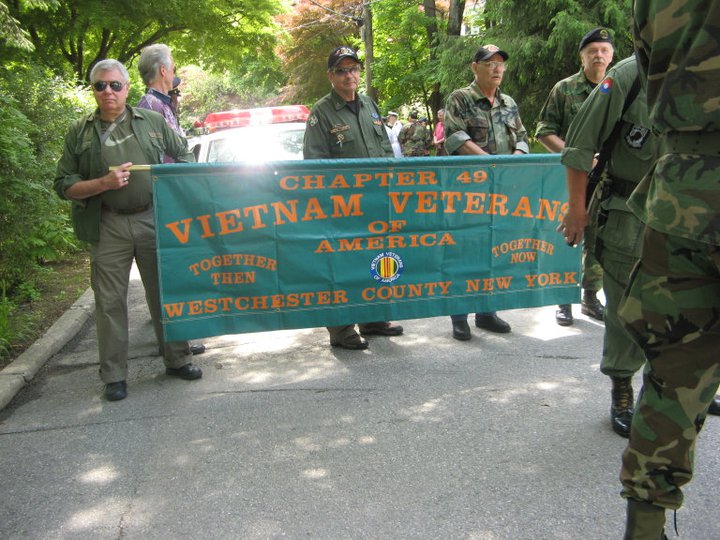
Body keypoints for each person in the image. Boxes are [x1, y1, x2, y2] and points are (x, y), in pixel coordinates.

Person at [618, 2, 720, 537]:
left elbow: (647, 58)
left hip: (680, 193)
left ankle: (645, 525)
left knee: (674, 372)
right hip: (678, 188)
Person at [54, 59, 202, 402]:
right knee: (109, 302)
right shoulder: (80, 131)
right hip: (107, 224)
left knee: (165, 292)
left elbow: (184, 156)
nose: (108, 91)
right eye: (100, 85)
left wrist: (170, 187)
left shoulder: (151, 121)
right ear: (93, 90)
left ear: (127, 88)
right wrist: (102, 184)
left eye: (115, 85)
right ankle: (114, 375)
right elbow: (63, 184)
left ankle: (178, 359)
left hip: (153, 218)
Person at [559, 56, 654, 438]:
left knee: (694, 307)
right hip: (631, 214)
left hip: (699, 217)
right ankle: (622, 388)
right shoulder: (629, 76)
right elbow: (580, 144)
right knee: (629, 309)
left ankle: (684, 386)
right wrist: (576, 209)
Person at [303, 46, 404, 350]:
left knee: (377, 257)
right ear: (330, 76)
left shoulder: (369, 104)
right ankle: (341, 328)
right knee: (342, 264)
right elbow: (314, 163)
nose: (349, 75)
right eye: (341, 70)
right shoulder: (321, 112)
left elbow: (384, 147)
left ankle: (373, 318)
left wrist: (391, 185)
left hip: (377, 199)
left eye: (353, 69)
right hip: (344, 205)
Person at [443, 43, 528, 341]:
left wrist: (515, 160)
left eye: (500, 63)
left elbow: (523, 136)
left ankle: (487, 311)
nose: (496, 68)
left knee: (495, 248)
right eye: (489, 63)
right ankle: (459, 315)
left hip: (502, 191)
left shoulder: (508, 102)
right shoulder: (460, 98)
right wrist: (492, 165)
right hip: (469, 191)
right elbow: (455, 138)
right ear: (475, 67)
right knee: (465, 249)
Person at [536, 27, 615, 326]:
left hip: (609, 178)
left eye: (604, 51)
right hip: (572, 176)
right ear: (582, 57)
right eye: (592, 51)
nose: (598, 55)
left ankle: (590, 297)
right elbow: (544, 131)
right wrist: (578, 157)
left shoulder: (618, 87)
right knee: (569, 235)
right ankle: (563, 299)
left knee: (599, 238)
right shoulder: (565, 89)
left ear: (611, 56)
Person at [136, 43, 206, 356]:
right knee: (169, 273)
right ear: (163, 70)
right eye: (173, 66)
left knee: (175, 271)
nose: (174, 71)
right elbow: (160, 157)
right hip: (164, 200)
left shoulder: (161, 103)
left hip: (172, 197)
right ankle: (174, 342)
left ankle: (179, 338)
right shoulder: (151, 106)